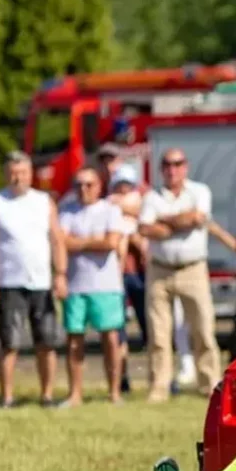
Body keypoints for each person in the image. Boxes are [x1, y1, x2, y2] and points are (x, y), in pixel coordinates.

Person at [0, 151, 67, 407]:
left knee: (46, 342)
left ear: (31, 174)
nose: (18, 178)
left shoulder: (44, 201)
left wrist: (60, 275)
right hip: (8, 283)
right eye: (13, 173)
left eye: (23, 173)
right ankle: (6, 397)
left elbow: (57, 240)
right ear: (6, 174)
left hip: (41, 282)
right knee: (9, 343)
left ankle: (47, 395)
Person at [138, 149, 222, 401]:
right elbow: (145, 228)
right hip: (160, 269)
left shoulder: (199, 191)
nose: (172, 169)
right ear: (161, 168)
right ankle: (159, 387)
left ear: (185, 166)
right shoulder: (152, 196)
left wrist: (164, 221)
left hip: (192, 268)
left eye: (177, 164)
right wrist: (179, 221)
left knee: (203, 329)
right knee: (158, 333)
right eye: (167, 164)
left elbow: (197, 218)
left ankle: (210, 384)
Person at [58, 167, 126, 405]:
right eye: (78, 184)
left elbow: (111, 243)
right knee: (74, 339)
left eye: (89, 184)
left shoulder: (111, 211)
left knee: (110, 339)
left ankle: (114, 392)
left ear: (99, 186)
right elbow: (61, 242)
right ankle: (75, 393)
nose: (83, 189)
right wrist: (93, 241)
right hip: (75, 285)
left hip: (106, 286)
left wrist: (78, 242)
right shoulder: (66, 211)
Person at [106, 164, 148, 393]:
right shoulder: (110, 205)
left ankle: (158, 379)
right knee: (118, 330)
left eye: (127, 185)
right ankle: (122, 378)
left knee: (150, 328)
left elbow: (142, 239)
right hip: (116, 277)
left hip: (139, 275)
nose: (123, 190)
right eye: (119, 185)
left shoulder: (140, 204)